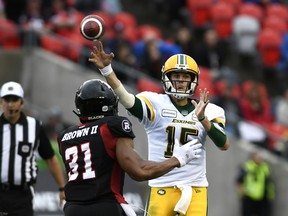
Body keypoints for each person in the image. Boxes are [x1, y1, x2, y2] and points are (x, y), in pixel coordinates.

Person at [89, 40, 230, 216]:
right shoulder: (156, 102)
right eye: (176, 76)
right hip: (161, 185)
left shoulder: (210, 109)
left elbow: (224, 144)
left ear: (193, 80)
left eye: (186, 77)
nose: (180, 81)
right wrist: (107, 71)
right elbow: (127, 99)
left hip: (196, 188)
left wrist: (203, 119)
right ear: (167, 78)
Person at [57, 79, 203, 216]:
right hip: (104, 206)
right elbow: (138, 171)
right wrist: (177, 159)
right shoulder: (111, 126)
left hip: (72, 209)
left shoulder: (65, 136)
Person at [0, 81, 66, 216]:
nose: (11, 104)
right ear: (1, 102)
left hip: (22, 195)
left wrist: (61, 188)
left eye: (14, 100)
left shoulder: (34, 126)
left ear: (22, 102)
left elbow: (50, 158)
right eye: (7, 100)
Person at [236, 150, 275, 216]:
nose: (258, 158)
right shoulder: (247, 166)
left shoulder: (265, 167)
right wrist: (242, 194)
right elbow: (239, 181)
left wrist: (270, 196)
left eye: (259, 157)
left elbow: (269, 182)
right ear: (253, 157)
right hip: (249, 197)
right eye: (257, 156)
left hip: (262, 198)